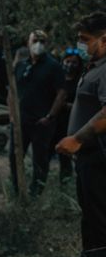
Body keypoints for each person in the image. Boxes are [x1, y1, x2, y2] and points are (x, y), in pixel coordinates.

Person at [56, 12, 106, 257]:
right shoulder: (93, 66)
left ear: (104, 39)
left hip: (98, 154)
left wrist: (77, 139)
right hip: (87, 156)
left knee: (100, 215)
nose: (81, 45)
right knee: (90, 212)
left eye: (85, 39)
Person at [9, 30, 66, 197]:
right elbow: (12, 91)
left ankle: (36, 194)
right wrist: (12, 115)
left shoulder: (53, 66)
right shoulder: (21, 65)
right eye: (35, 40)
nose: (38, 44)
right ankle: (17, 191)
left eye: (42, 41)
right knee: (14, 156)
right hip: (20, 121)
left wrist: (50, 116)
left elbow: (61, 93)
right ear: (28, 42)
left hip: (41, 122)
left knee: (40, 159)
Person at [51, 48, 83, 184]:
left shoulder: (81, 81)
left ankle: (68, 182)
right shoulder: (57, 78)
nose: (70, 65)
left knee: (69, 155)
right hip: (55, 121)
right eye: (67, 61)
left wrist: (65, 105)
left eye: (74, 62)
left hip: (71, 123)